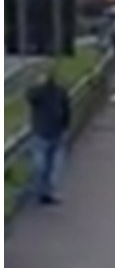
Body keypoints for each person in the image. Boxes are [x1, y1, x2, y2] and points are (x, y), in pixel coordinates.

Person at [26, 67, 71, 205]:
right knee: (41, 166)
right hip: (42, 134)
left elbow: (67, 110)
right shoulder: (38, 92)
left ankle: (47, 192)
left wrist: (65, 128)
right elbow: (29, 97)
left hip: (55, 133)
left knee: (52, 167)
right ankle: (41, 191)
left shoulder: (60, 91)